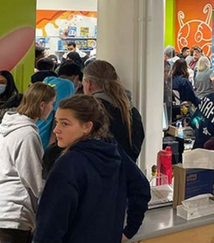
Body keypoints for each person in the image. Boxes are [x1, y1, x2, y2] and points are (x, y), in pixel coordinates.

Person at [33, 95, 150, 243]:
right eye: (56, 122)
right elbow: (141, 188)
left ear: (87, 127)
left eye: (65, 124)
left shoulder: (68, 164)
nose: (56, 130)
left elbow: (50, 225)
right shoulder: (113, 150)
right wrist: (129, 231)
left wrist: (130, 230)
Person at [0, 83, 56, 243]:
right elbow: (32, 176)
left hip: (0, 203)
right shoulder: (27, 133)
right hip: (13, 209)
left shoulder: (11, 125)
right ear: (42, 105)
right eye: (52, 104)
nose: (52, 109)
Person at [83, 60, 145, 161]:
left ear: (88, 84)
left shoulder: (89, 111)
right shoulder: (130, 109)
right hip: (129, 173)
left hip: (99, 174)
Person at [36, 76, 76, 149]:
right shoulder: (67, 85)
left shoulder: (48, 79)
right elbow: (59, 115)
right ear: (75, 77)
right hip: (46, 141)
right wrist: (53, 144)